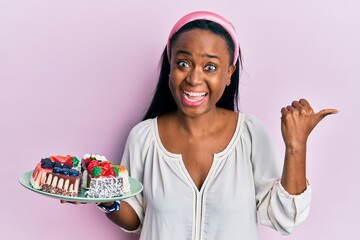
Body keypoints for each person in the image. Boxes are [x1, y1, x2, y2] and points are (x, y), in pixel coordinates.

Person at [92, 11, 338, 239]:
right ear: (170, 67)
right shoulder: (143, 137)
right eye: (183, 63)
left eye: (210, 67)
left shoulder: (250, 135)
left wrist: (296, 146)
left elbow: (283, 217)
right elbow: (136, 217)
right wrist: (103, 196)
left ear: (229, 73)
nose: (194, 78)